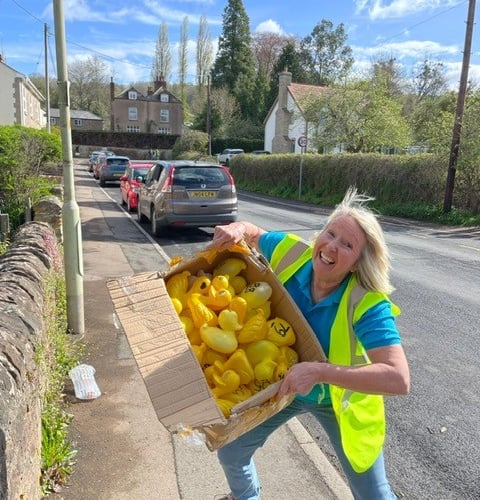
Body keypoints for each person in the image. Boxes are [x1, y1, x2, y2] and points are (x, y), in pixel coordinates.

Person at [206, 187, 410, 500]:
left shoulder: (368, 304)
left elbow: (398, 379)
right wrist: (237, 228)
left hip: (338, 400)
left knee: (374, 496)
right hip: (286, 386)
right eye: (329, 234)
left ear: (357, 263)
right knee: (231, 451)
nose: (331, 247)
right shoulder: (293, 252)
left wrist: (320, 372)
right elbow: (253, 232)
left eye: (347, 244)